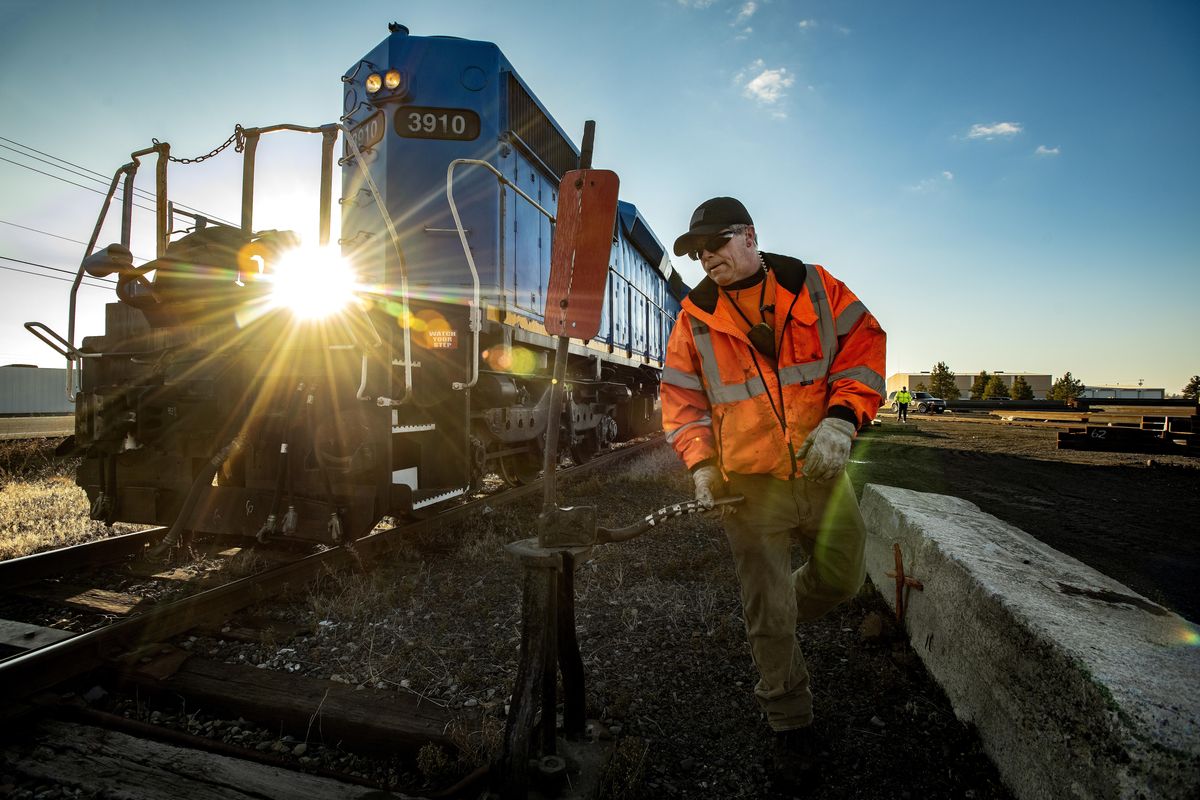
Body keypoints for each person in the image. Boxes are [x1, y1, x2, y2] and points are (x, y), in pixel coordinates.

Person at [660, 197, 886, 789]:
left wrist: (842, 420)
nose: (707, 257)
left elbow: (864, 346)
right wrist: (702, 466)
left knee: (842, 577)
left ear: (750, 237)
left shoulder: (814, 287)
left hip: (821, 472)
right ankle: (790, 721)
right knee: (768, 609)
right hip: (751, 489)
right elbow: (681, 402)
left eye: (717, 244)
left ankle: (773, 617)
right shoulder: (694, 318)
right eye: (698, 250)